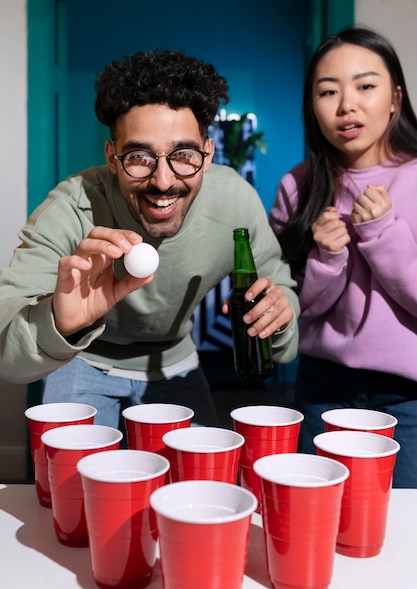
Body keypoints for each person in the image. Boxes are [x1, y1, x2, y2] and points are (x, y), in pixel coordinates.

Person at [0, 49, 299, 429]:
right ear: (112, 157)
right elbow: (5, 349)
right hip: (84, 359)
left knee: (198, 484)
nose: (163, 181)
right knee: (73, 484)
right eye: (140, 156)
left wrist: (278, 313)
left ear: (207, 155)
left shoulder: (235, 202)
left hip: (175, 360)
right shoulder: (71, 208)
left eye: (184, 154)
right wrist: (59, 321)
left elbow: (280, 294)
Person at [269, 26, 417, 488]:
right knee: (321, 514)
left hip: (408, 397)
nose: (346, 105)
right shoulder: (298, 187)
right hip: (322, 386)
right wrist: (326, 260)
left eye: (365, 86)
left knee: (402, 529)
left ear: (395, 97)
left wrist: (381, 236)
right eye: (327, 91)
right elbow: (292, 307)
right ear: (312, 108)